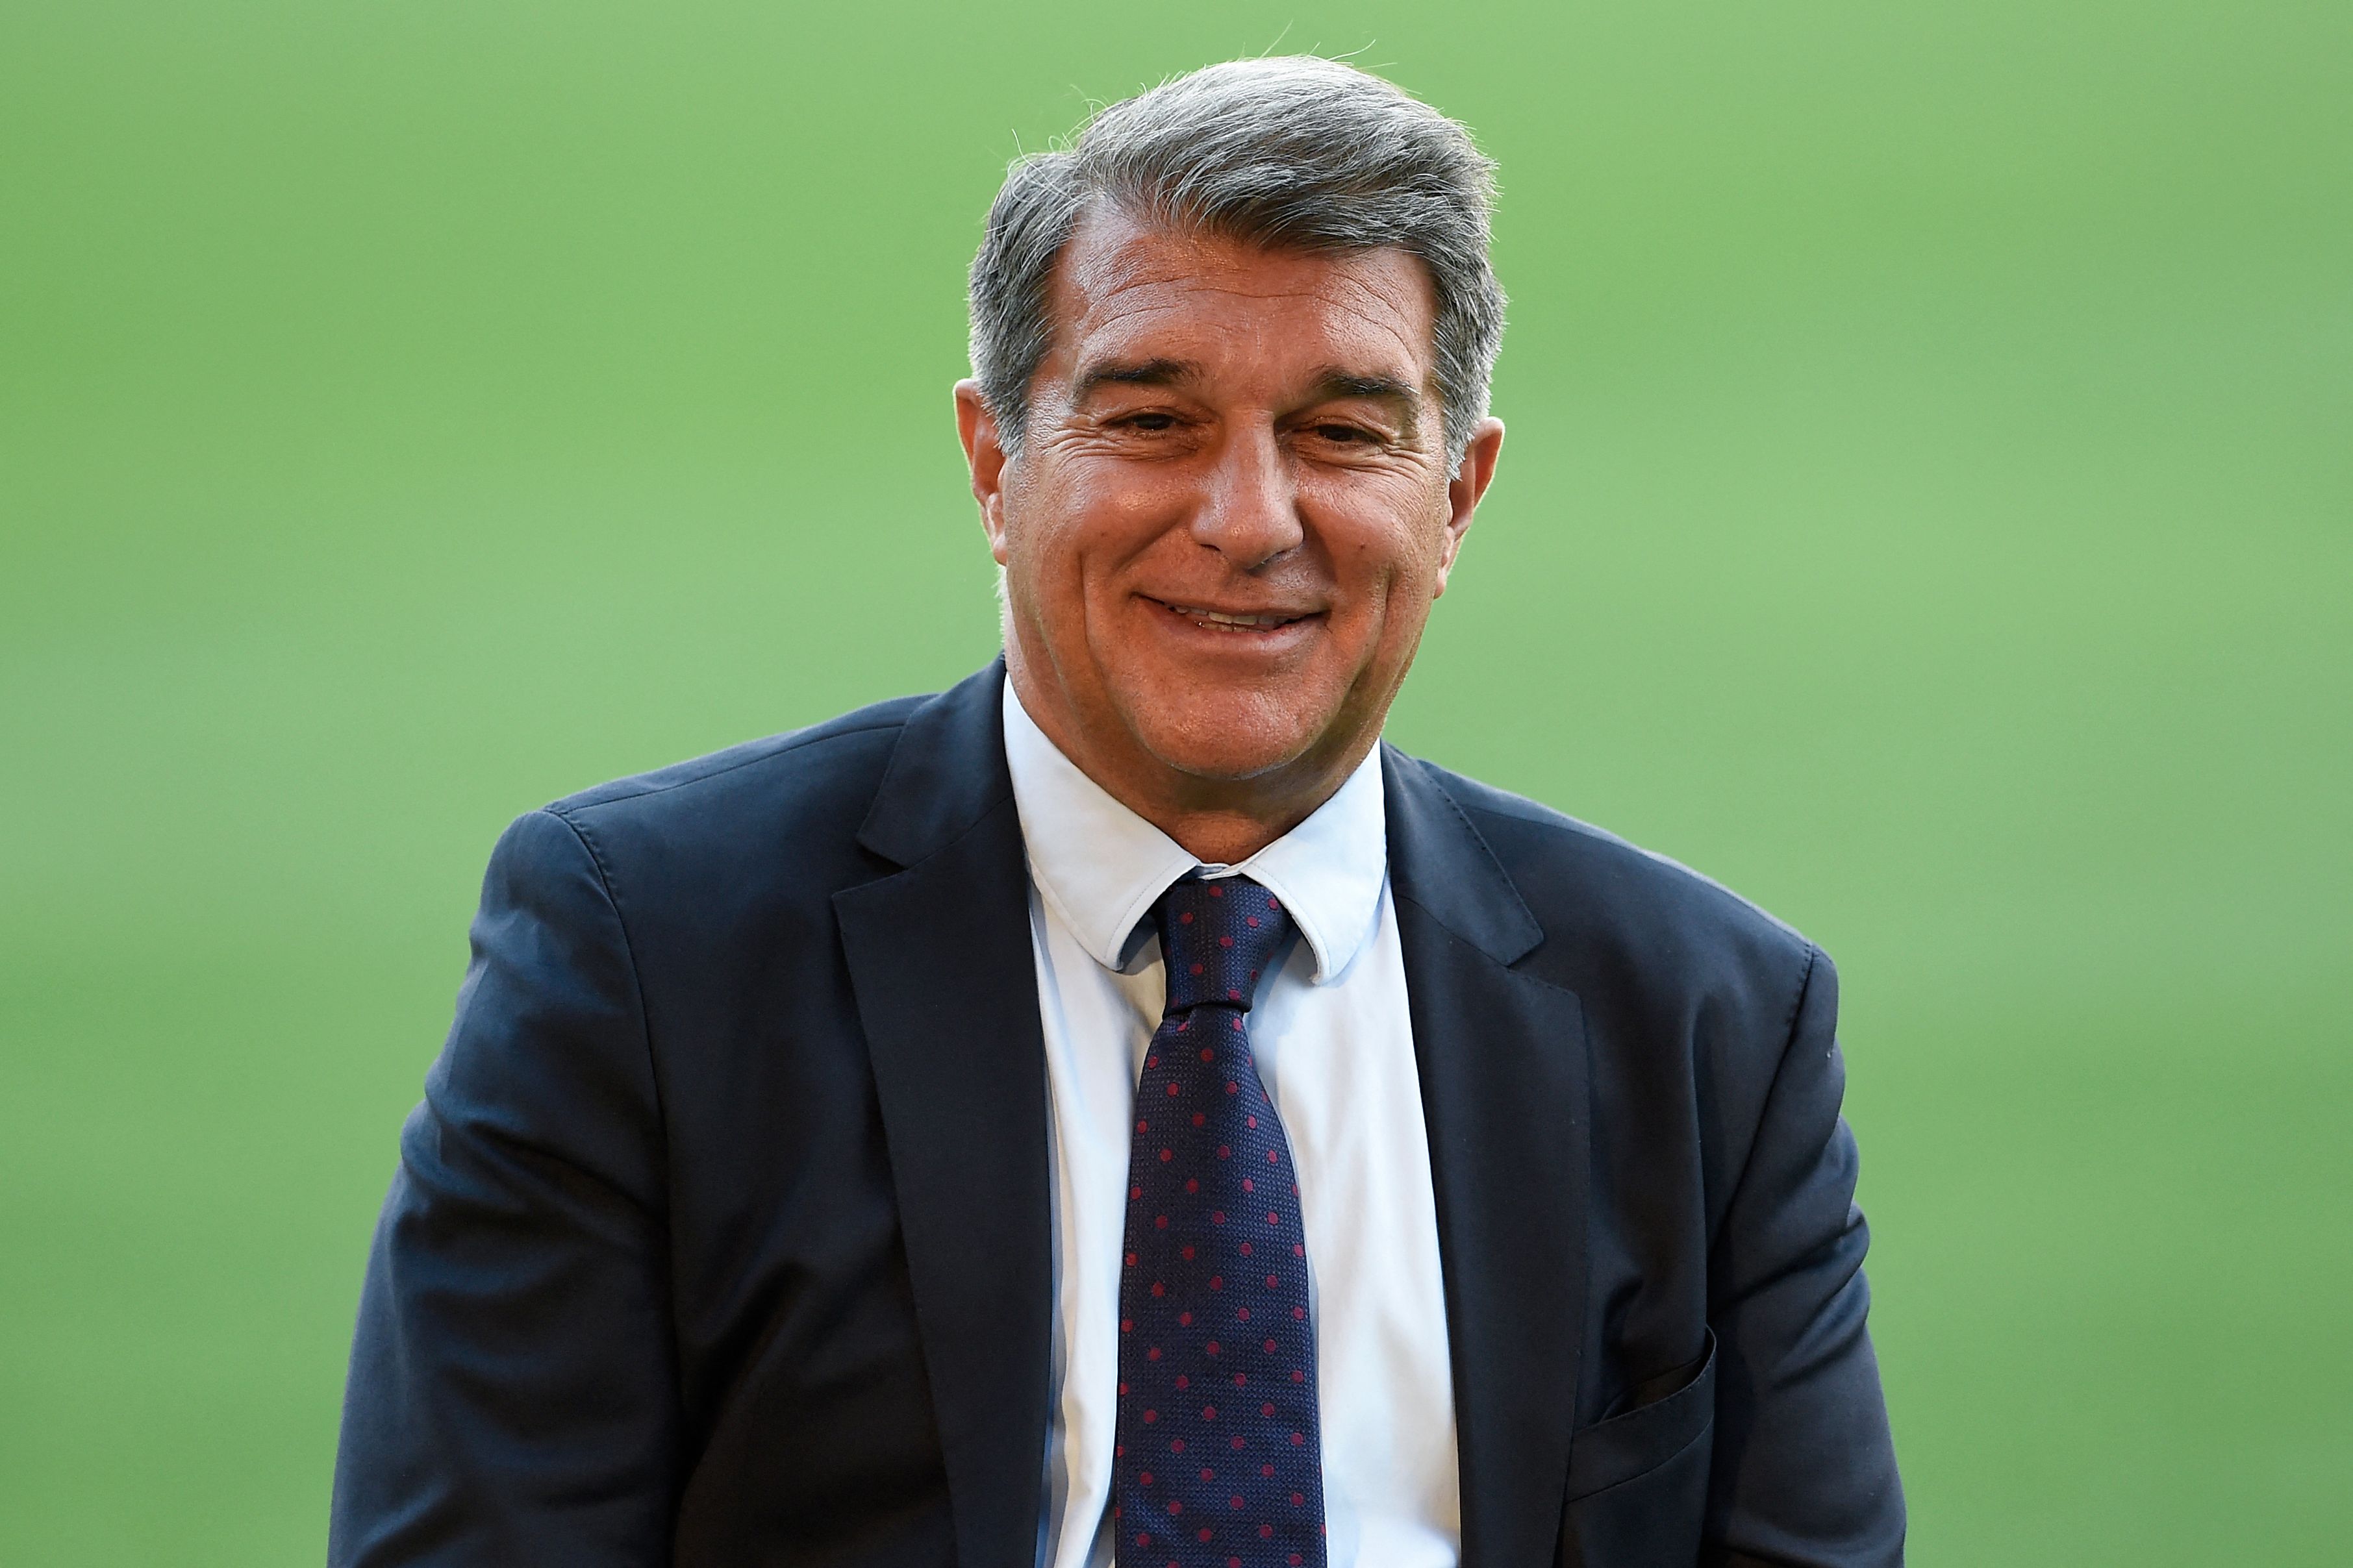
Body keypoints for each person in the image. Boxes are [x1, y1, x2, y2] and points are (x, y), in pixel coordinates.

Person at [330, 56, 1904, 1568]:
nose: (1249, 519)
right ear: (993, 464)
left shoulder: (1708, 1022)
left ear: (1456, 496)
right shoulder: (647, 961)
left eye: (1342, 432)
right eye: (1152, 421)